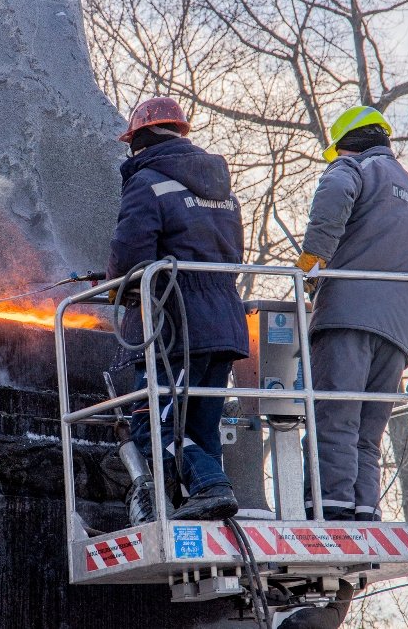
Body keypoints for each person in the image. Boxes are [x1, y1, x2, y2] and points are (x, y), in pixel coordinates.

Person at [106, 97, 249, 522]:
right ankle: (206, 508)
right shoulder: (224, 191)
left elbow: (130, 255)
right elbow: (227, 256)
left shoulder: (147, 181)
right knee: (202, 428)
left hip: (176, 328)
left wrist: (119, 288)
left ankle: (211, 486)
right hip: (224, 324)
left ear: (141, 139)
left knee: (153, 426)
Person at [296, 105, 408, 522]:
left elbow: (335, 189)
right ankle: (364, 513)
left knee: (333, 419)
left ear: (348, 144)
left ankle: (331, 513)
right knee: (367, 433)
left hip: (347, 318)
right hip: (398, 333)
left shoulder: (355, 168)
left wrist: (312, 262)